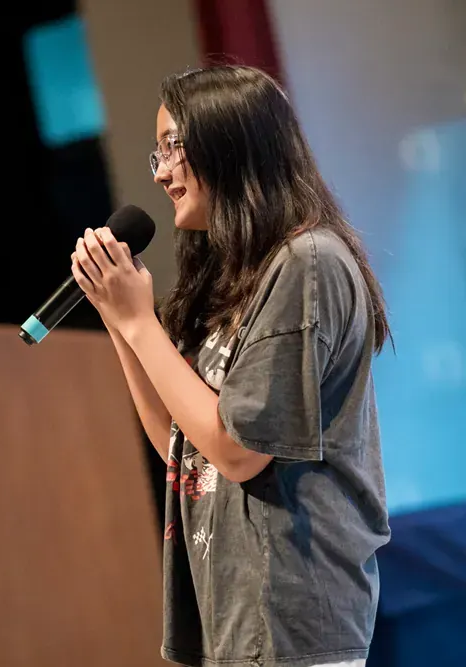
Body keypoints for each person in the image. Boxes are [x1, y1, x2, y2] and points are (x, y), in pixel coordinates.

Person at [71, 65, 391, 667]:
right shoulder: (234, 277)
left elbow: (239, 451)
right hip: (236, 618)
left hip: (292, 620)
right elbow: (183, 445)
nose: (161, 171)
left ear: (230, 140)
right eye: (158, 152)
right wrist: (120, 321)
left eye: (173, 146)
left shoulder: (308, 262)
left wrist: (141, 324)